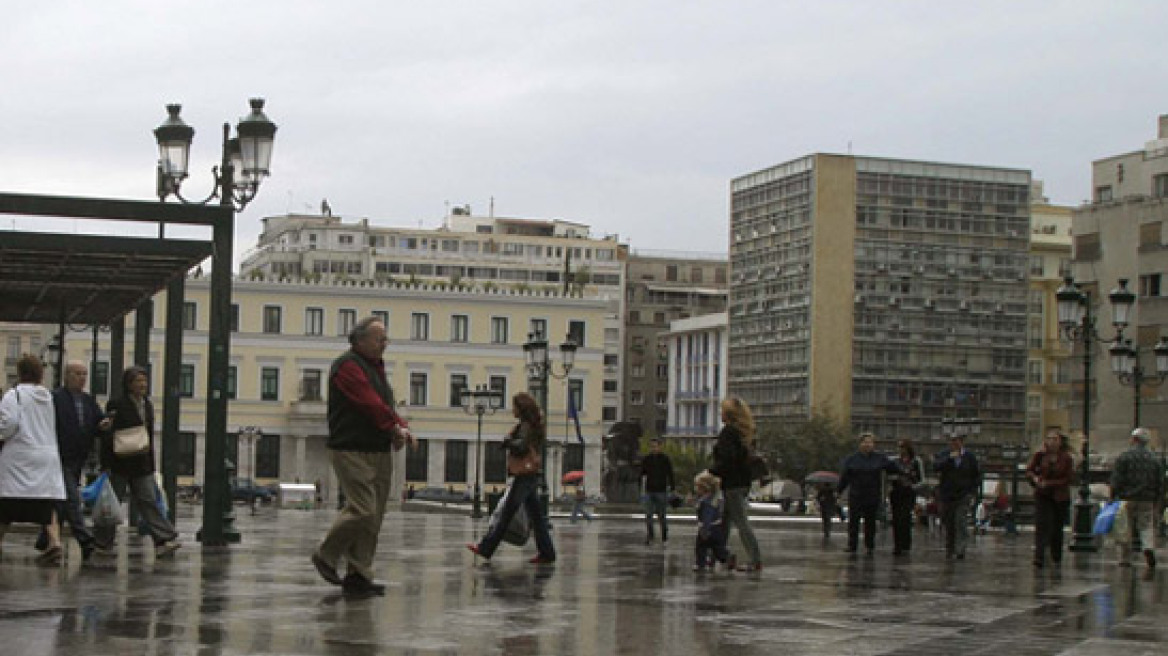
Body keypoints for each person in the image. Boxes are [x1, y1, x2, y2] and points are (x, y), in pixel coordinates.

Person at [312, 317, 414, 596]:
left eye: (385, 339)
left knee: (374, 517)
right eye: (379, 338)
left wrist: (400, 428)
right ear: (359, 340)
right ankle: (326, 554)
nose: (385, 344)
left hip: (378, 449)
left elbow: (382, 404)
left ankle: (359, 574)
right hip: (351, 448)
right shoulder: (347, 366)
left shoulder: (375, 368)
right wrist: (395, 427)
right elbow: (367, 402)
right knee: (363, 508)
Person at [97, 366, 182, 558]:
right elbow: (108, 435)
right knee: (112, 503)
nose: (142, 384)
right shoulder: (117, 404)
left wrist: (152, 465)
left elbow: (148, 437)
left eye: (144, 381)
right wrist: (106, 464)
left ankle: (163, 537)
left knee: (148, 500)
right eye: (138, 381)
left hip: (141, 462)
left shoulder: (148, 405)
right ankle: (102, 541)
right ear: (128, 384)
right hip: (120, 461)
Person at [467, 392, 556, 564]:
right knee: (537, 518)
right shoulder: (532, 425)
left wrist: (508, 442)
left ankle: (486, 548)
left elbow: (521, 446)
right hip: (529, 475)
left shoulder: (525, 426)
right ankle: (547, 553)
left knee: (507, 513)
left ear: (521, 408)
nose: (512, 410)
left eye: (514, 406)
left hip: (524, 475)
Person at [0, 355, 67, 566]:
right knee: (46, 504)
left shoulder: (14, 395)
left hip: (20, 455)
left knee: (6, 503)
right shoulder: (47, 396)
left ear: (20, 372)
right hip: (46, 454)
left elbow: (8, 423)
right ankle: (55, 541)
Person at [50, 361, 111, 561]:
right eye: (78, 373)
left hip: (78, 457)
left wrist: (103, 424)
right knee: (72, 499)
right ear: (67, 375)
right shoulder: (56, 398)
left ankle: (45, 539)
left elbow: (97, 421)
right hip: (59, 456)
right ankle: (84, 539)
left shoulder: (88, 400)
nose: (82, 378)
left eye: (85, 374)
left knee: (61, 502)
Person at [709, 397, 761, 571]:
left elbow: (728, 460)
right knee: (724, 523)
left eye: (722, 411)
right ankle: (720, 556)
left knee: (740, 522)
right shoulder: (743, 433)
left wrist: (712, 472)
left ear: (728, 415)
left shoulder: (728, 433)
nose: (720, 413)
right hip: (742, 482)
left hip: (733, 484)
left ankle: (755, 559)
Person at [1111, 427, 1163, 570]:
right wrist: (1158, 499)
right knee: (1146, 526)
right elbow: (1160, 481)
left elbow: (1117, 479)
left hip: (1127, 497)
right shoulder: (1154, 459)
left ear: (1134, 440)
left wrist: (1113, 494)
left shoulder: (1124, 456)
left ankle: (1124, 558)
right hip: (1147, 498)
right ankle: (1148, 547)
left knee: (1124, 528)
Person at [837, 433, 899, 555]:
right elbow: (845, 477)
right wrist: (838, 491)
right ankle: (852, 545)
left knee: (870, 522)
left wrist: (903, 473)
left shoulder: (879, 458)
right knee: (854, 521)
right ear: (860, 444)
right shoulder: (852, 459)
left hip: (872, 495)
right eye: (865, 442)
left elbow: (893, 468)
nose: (867, 445)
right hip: (856, 495)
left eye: (870, 442)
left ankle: (870, 545)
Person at [1026, 429, 1073, 568]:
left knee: (1056, 527)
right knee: (1042, 525)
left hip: (1059, 497)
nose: (1051, 442)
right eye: (1049, 438)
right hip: (1043, 495)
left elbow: (1067, 479)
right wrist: (1034, 478)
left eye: (1055, 439)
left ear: (1060, 442)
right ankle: (1039, 556)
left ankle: (1056, 555)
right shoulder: (1040, 455)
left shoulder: (1066, 458)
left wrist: (1050, 483)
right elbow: (1029, 470)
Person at [934, 434, 980, 560]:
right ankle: (950, 548)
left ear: (962, 442)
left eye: (956, 441)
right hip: (948, 494)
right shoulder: (944, 454)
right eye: (952, 441)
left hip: (963, 494)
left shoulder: (969, 457)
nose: (954, 444)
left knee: (961, 521)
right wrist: (949, 459)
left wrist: (972, 491)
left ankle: (960, 549)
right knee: (949, 522)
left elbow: (976, 475)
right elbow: (936, 467)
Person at [889, 439, 924, 555]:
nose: (901, 450)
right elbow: (889, 475)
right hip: (896, 492)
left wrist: (913, 486)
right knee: (896, 518)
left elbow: (921, 480)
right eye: (899, 448)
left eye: (903, 448)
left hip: (908, 492)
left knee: (905, 517)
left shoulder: (916, 461)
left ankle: (905, 543)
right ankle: (897, 545)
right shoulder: (894, 461)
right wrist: (894, 479)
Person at [693, 471, 730, 572]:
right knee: (718, 548)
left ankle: (701, 564)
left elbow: (707, 516)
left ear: (704, 488)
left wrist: (705, 529)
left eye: (698, 487)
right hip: (717, 528)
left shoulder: (706, 502)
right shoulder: (717, 499)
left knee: (700, 547)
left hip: (708, 528)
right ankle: (726, 558)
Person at [640, 437, 674, 545]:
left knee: (661, 515)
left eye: (655, 446)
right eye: (651, 446)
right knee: (648, 515)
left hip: (661, 490)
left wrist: (672, 488)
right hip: (649, 490)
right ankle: (650, 536)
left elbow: (670, 474)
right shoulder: (647, 459)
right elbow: (642, 473)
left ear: (660, 446)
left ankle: (664, 537)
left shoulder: (665, 459)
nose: (653, 448)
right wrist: (640, 487)